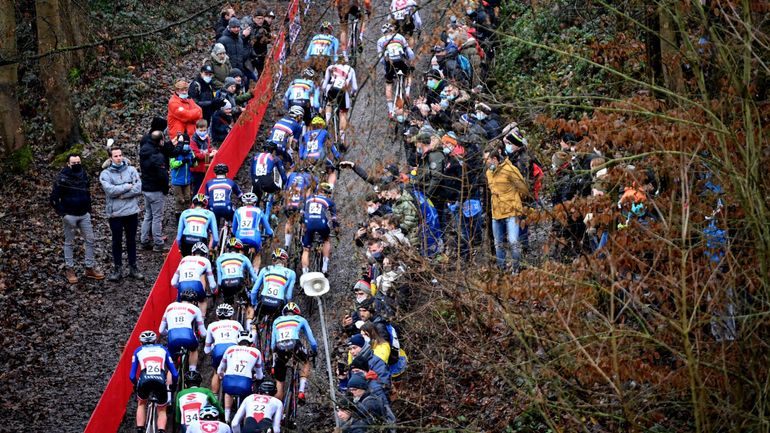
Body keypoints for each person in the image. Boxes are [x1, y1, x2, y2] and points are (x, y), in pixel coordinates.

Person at [50, 153, 104, 283]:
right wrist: (63, 214)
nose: (76, 165)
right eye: (74, 163)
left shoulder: (83, 174)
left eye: (78, 162)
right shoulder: (62, 178)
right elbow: (53, 199)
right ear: (68, 164)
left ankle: (89, 268)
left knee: (90, 240)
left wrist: (89, 209)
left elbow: (87, 192)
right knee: (69, 242)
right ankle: (70, 269)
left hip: (84, 214)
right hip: (70, 216)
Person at [99, 146, 144, 282]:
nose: (119, 158)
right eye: (116, 156)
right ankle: (117, 268)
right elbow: (110, 191)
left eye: (120, 155)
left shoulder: (131, 170)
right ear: (110, 158)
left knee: (131, 240)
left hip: (131, 211)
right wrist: (126, 186)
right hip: (115, 214)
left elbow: (138, 188)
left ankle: (133, 267)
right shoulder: (105, 174)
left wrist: (123, 195)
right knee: (116, 241)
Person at [485, 148, 528, 273]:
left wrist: (514, 201)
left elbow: (523, 188)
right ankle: (502, 270)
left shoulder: (510, 170)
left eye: (486, 159)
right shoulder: (488, 173)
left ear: (494, 159)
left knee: (513, 241)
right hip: (496, 213)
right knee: (498, 243)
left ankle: (516, 269)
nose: (485, 162)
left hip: (511, 211)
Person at [130, 330, 178, 433]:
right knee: (161, 409)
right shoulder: (163, 349)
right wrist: (173, 385)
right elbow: (174, 373)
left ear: (141, 342)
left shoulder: (138, 351)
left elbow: (132, 376)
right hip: (160, 380)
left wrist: (136, 384)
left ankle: (140, 429)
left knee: (141, 403)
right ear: (155, 341)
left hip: (144, 380)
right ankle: (161, 430)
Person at [271, 302, 318, 402]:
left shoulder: (277, 320)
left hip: (280, 346)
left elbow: (272, 344)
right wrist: (314, 351)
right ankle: (301, 391)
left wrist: (274, 356)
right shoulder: (301, 319)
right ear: (297, 312)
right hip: (294, 345)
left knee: (279, 381)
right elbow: (312, 341)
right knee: (305, 362)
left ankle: (278, 409)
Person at [139, 130, 176, 252]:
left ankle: (144, 240)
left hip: (146, 188)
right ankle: (158, 243)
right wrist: (165, 188)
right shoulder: (157, 156)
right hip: (156, 190)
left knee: (148, 215)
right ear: (160, 141)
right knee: (157, 217)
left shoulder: (144, 150)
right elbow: (162, 176)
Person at [218, 331, 264, 422]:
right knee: (247, 397)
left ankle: (227, 417)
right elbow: (260, 375)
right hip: (245, 384)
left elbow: (220, 369)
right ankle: (244, 419)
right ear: (251, 342)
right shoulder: (256, 352)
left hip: (229, 381)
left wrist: (222, 375)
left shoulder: (230, 349)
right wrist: (256, 376)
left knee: (228, 392)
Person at [160, 289, 207, 371]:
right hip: (188, 336)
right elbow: (203, 333)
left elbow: (161, 330)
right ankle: (192, 371)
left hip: (172, 337)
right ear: (193, 302)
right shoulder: (195, 309)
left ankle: (170, 382)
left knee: (173, 365)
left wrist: (169, 333)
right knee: (194, 350)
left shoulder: (170, 306)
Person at [249, 248, 296, 330]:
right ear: (285, 261)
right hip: (278, 303)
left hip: (263, 302)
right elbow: (288, 296)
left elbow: (254, 291)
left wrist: (254, 304)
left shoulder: (265, 270)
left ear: (273, 260)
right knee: (279, 326)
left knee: (255, 324)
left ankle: (255, 336)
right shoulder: (291, 273)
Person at [377, 23, 415, 118]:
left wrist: (386, 67)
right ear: (392, 30)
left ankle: (390, 110)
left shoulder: (380, 41)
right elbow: (409, 52)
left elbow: (381, 59)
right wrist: (410, 62)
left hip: (390, 63)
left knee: (389, 83)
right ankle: (407, 91)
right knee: (408, 74)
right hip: (400, 60)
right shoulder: (399, 36)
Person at [205, 303, 244, 393]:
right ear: (231, 316)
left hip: (218, 350)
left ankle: (214, 396)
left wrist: (211, 350)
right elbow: (243, 339)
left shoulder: (212, 325)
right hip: (233, 350)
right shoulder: (236, 324)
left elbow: (206, 349)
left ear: (217, 316)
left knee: (216, 373)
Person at [300, 182, 338, 275]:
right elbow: (334, 218)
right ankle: (324, 267)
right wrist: (336, 228)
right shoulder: (329, 201)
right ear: (327, 193)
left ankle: (305, 274)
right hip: (321, 223)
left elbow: (302, 214)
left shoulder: (308, 199)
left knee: (306, 249)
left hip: (308, 224)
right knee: (326, 240)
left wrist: (302, 226)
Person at [171, 241, 216, 316]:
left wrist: (178, 287)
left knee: (180, 306)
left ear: (192, 253)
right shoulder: (206, 261)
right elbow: (212, 284)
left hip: (182, 285)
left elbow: (173, 282)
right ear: (205, 255)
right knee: (202, 301)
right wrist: (214, 290)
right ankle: (202, 319)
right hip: (196, 285)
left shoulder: (184, 259)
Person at [322, 54, 358, 145]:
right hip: (342, 90)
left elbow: (324, 85)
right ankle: (342, 140)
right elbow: (355, 87)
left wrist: (324, 93)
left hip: (331, 88)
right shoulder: (351, 70)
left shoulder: (331, 67)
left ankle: (327, 120)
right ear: (346, 61)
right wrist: (352, 94)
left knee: (329, 103)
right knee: (343, 113)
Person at [232, 192, 273, 269]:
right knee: (257, 254)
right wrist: (270, 234)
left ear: (243, 202)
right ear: (255, 202)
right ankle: (254, 274)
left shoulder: (237, 211)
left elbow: (233, 230)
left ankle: (239, 268)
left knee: (240, 250)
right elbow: (268, 229)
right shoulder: (258, 211)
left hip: (240, 236)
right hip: (254, 237)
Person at [299, 116, 341, 185]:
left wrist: (303, 158)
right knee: (331, 170)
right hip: (319, 156)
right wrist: (338, 156)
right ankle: (330, 187)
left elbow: (300, 154)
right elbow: (331, 145)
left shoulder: (306, 135)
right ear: (321, 125)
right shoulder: (324, 132)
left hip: (307, 158)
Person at [216, 238, 258, 304]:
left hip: (225, 283)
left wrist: (219, 289)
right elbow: (253, 275)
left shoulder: (220, 258)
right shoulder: (243, 257)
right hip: (238, 282)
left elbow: (219, 280)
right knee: (248, 301)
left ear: (228, 248)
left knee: (228, 303)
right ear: (240, 249)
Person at [282, 167, 316, 250]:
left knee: (289, 221)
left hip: (289, 203)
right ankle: (302, 241)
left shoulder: (292, 175)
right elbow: (311, 192)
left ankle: (286, 245)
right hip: (299, 204)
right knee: (303, 222)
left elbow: (285, 188)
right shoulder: (309, 176)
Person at [206, 163, 244, 227]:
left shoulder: (209, 183)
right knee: (234, 219)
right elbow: (240, 195)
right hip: (227, 208)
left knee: (213, 226)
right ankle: (232, 231)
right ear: (226, 174)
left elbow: (206, 199)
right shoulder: (230, 182)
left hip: (213, 208)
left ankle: (212, 234)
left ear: (215, 174)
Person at [251, 142, 288, 206]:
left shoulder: (255, 156)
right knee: (278, 191)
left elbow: (251, 171)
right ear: (273, 151)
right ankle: (274, 209)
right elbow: (283, 177)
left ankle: (256, 207)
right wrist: (285, 186)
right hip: (267, 181)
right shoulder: (275, 158)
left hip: (255, 180)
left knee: (256, 200)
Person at [190, 118, 218, 195]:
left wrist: (212, 150)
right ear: (196, 129)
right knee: (197, 188)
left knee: (206, 187)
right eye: (201, 130)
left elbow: (208, 148)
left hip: (205, 167)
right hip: (196, 169)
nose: (202, 132)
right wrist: (209, 155)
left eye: (204, 130)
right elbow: (197, 155)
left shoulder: (206, 138)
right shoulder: (193, 140)